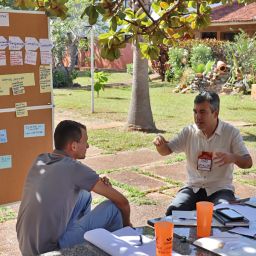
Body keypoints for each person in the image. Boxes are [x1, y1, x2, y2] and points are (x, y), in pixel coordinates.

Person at [16, 120, 131, 255]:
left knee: (85, 195)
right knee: (113, 208)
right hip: (50, 250)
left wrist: (95, 181)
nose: (88, 145)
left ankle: (85, 244)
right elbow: (122, 201)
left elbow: (70, 180)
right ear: (74, 146)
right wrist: (128, 225)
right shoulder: (75, 169)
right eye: (85, 141)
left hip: (27, 246)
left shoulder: (41, 159)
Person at [153, 91, 252, 216]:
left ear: (215, 113)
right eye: (195, 111)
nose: (197, 117)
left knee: (223, 214)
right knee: (173, 211)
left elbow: (248, 162)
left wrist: (233, 157)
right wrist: (160, 145)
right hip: (193, 187)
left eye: (202, 112)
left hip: (220, 189)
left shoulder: (231, 133)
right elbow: (166, 150)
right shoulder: (188, 132)